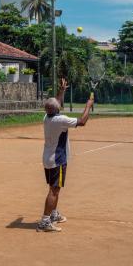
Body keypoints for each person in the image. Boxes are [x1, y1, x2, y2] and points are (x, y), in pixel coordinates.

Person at [37, 78, 94, 232]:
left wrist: (61, 91)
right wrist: (88, 106)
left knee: (54, 188)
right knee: (54, 190)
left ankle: (53, 214)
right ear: (57, 109)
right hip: (58, 159)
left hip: (47, 158)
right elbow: (82, 121)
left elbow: (56, 104)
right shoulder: (60, 120)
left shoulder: (47, 118)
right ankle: (44, 221)